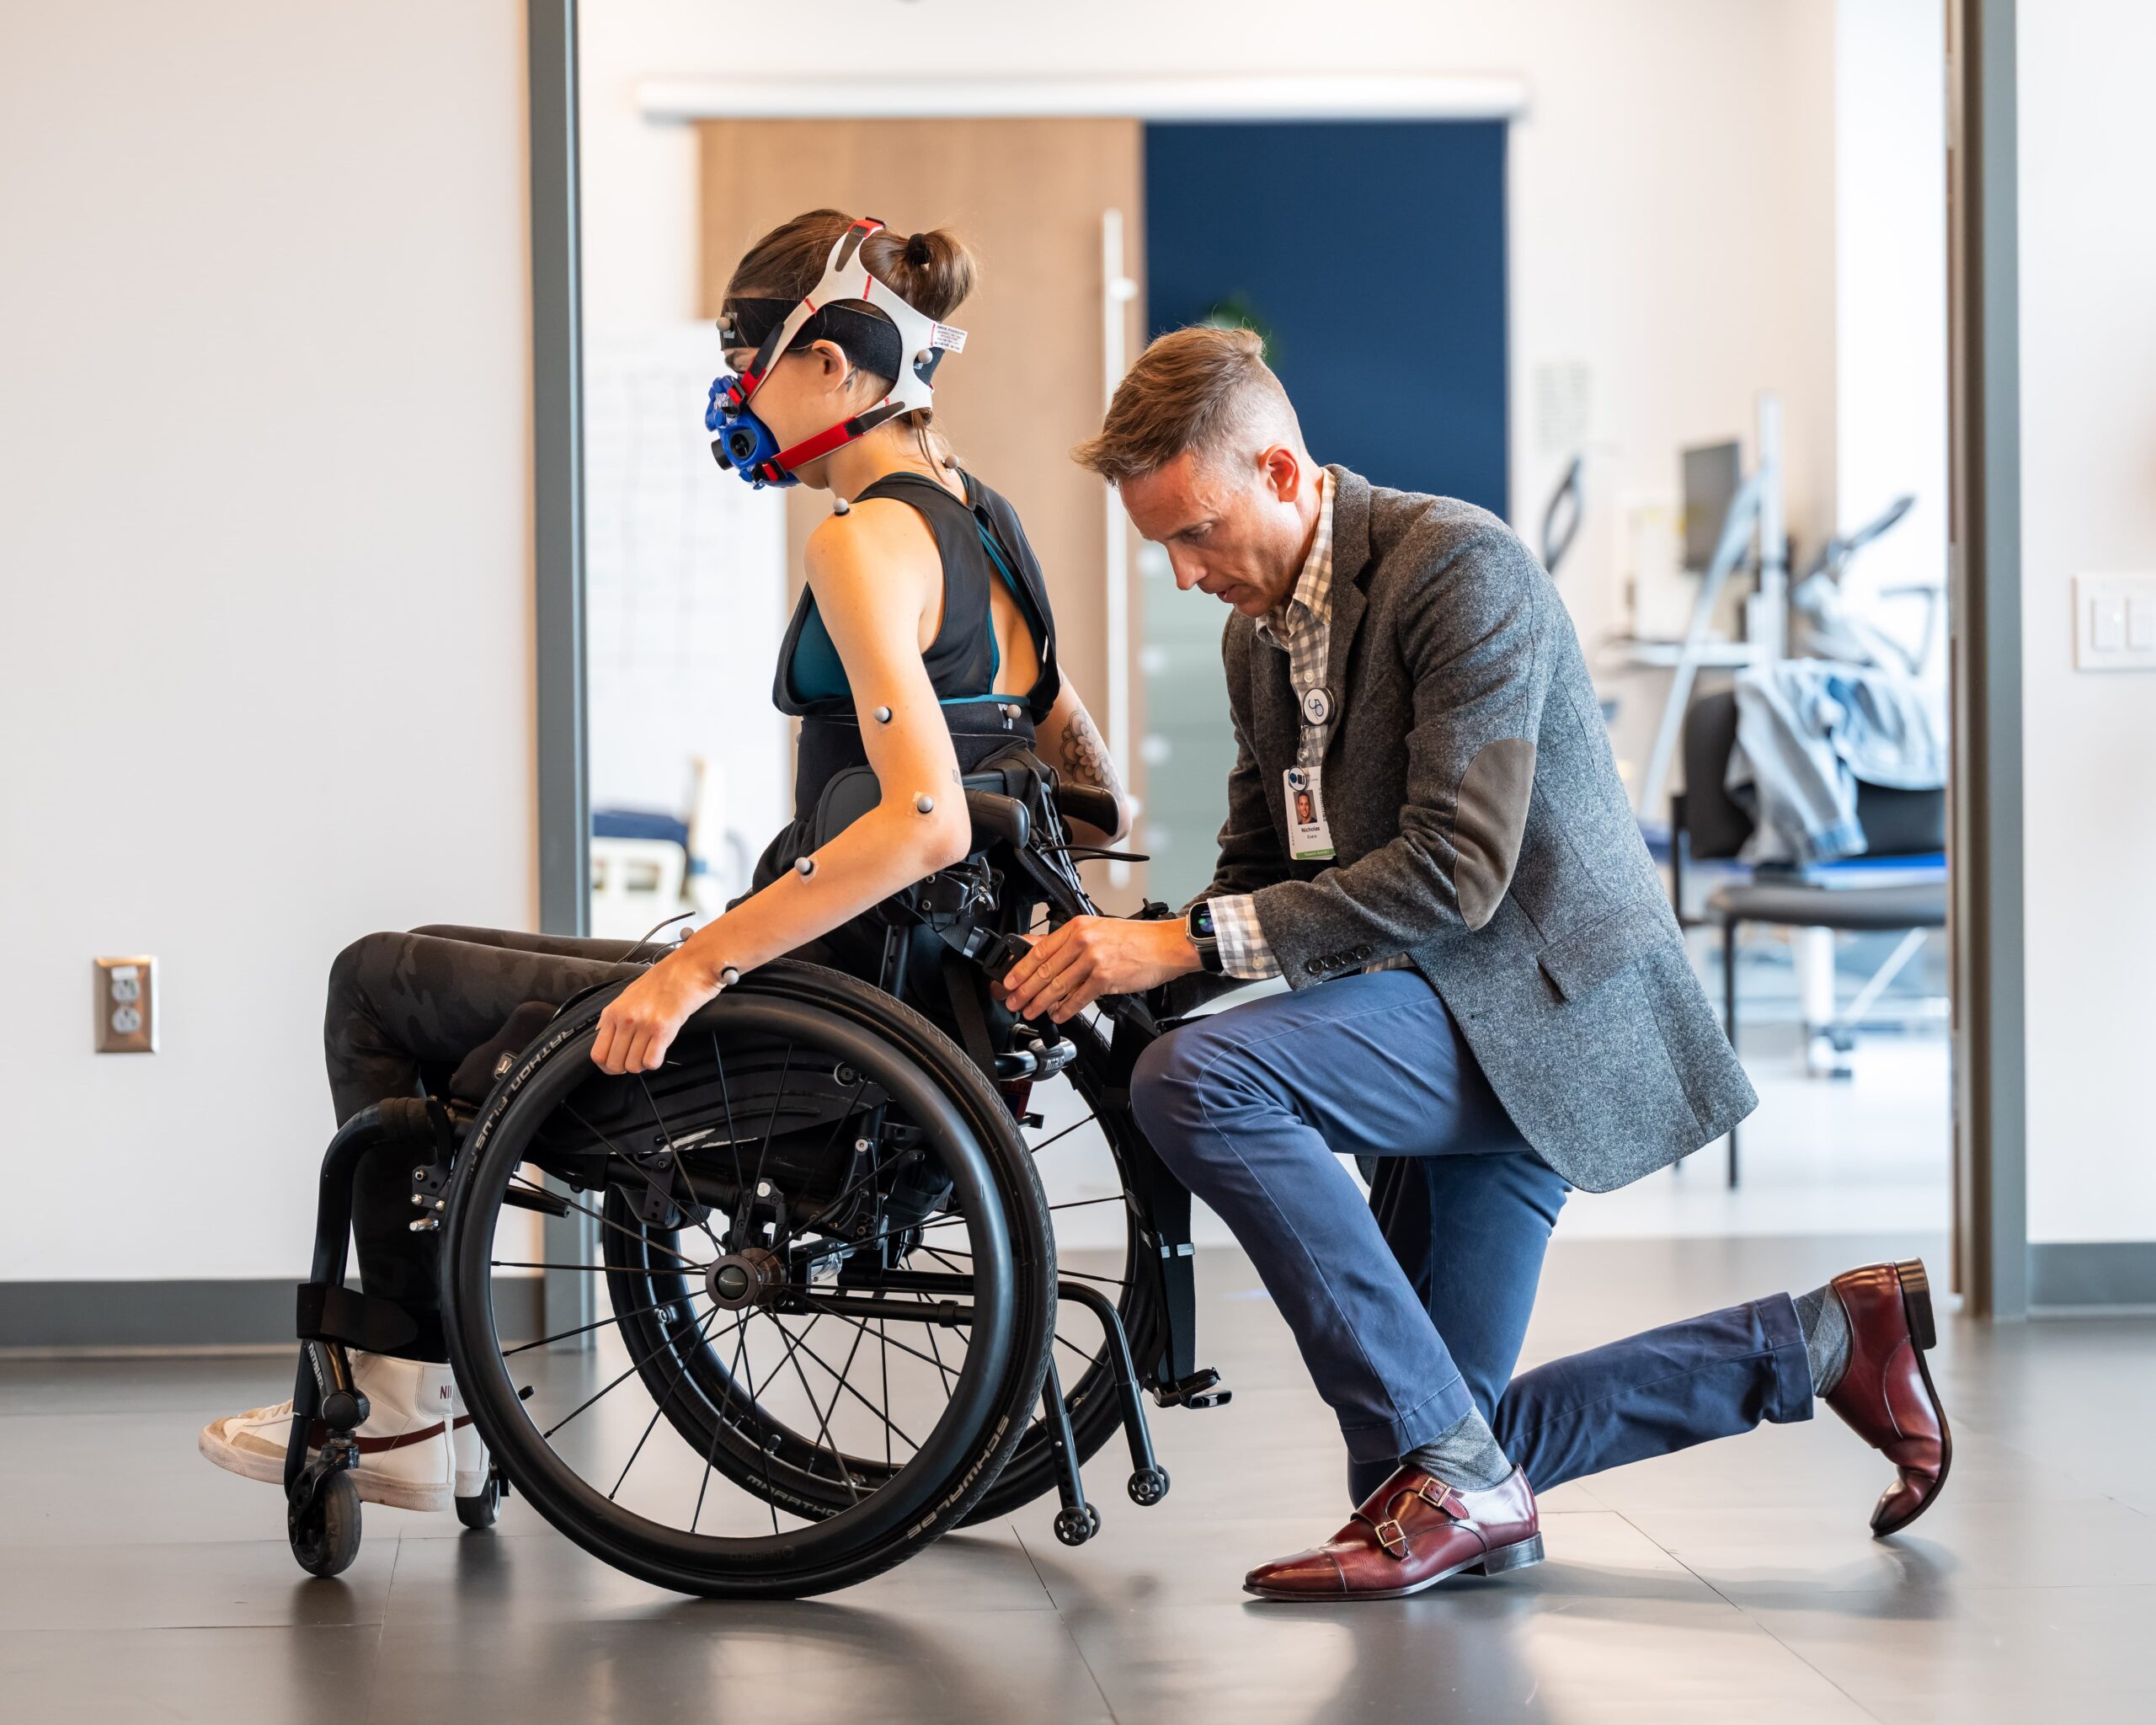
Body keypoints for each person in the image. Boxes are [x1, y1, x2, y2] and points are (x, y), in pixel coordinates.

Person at [998, 326, 1950, 1601]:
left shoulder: (1462, 569)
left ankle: (1458, 1476)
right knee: (1424, 1455)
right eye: (1161, 544)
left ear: (1283, 473)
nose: (1181, 573)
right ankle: (1831, 1341)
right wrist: (1097, 981)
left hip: (1538, 1009)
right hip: (1430, 1008)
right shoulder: (1258, 639)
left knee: (1200, 1083)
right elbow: (1255, 866)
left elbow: (1459, 872)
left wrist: (1170, 955)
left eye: (1198, 532)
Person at [200, 211, 1127, 1516]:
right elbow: (1089, 790)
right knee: (429, 974)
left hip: (809, 1012)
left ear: (835, 364)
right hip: (887, 994)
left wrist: (693, 971)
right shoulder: (990, 524)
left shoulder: (861, 541)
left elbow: (929, 820)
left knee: (373, 980)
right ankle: (413, 1400)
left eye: (748, 354)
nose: (736, 390)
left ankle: (405, 1416)